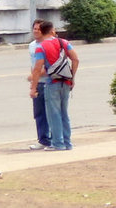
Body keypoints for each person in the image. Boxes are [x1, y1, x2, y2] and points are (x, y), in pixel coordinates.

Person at [29, 21, 79, 151]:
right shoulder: (64, 42)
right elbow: (75, 59)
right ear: (51, 30)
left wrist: (33, 88)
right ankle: (67, 142)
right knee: (64, 113)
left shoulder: (40, 47)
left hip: (52, 82)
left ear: (42, 31)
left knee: (54, 114)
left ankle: (58, 143)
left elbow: (37, 69)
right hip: (66, 81)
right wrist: (72, 76)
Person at [27, 19, 50, 150]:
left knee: (51, 113)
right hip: (37, 83)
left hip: (48, 83)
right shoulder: (32, 45)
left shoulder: (48, 44)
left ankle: (53, 139)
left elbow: (50, 67)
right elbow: (33, 65)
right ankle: (43, 140)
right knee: (39, 113)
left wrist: (35, 75)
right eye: (34, 28)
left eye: (39, 29)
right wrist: (33, 83)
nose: (36, 31)